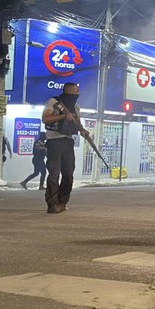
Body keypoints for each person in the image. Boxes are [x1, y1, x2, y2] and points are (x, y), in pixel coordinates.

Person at [42, 82, 89, 213]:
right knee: (54, 173)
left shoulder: (76, 107)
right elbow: (45, 119)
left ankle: (62, 202)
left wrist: (83, 131)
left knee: (68, 173)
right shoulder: (53, 102)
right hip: (54, 140)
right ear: (68, 91)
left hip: (68, 141)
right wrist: (63, 116)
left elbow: (77, 123)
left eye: (77, 92)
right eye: (74, 91)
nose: (76, 94)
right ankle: (52, 204)